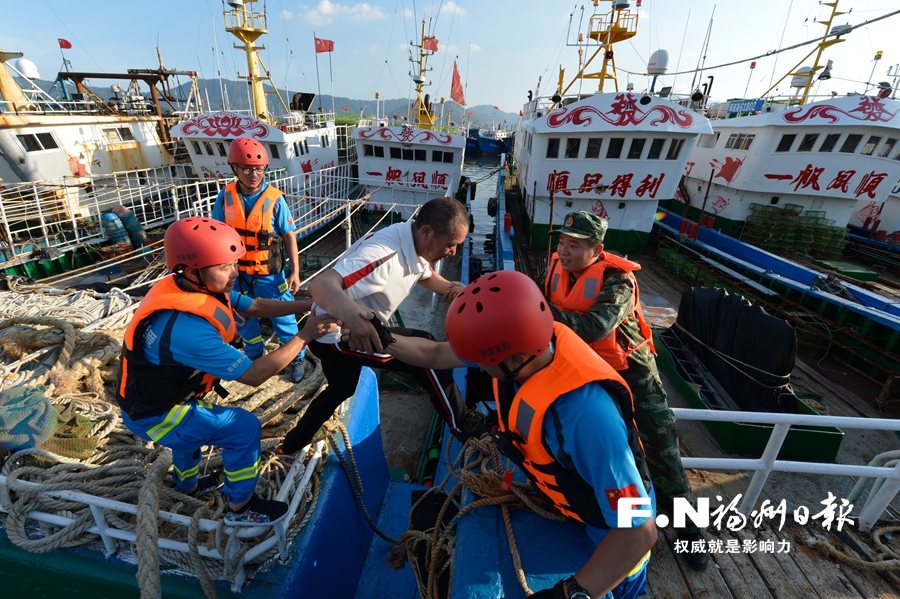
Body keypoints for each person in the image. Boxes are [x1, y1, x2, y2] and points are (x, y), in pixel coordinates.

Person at [383, 270, 657, 599]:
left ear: (511, 359)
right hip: (566, 504)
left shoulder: (586, 416)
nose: (479, 369)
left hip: (609, 539)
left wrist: (571, 592)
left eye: (483, 363)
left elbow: (637, 530)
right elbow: (433, 355)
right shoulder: (529, 345)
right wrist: (381, 338)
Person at [115, 217, 338, 526]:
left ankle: (188, 485)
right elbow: (254, 375)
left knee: (193, 427)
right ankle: (241, 508)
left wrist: (308, 306)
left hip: (155, 400)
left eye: (234, 263)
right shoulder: (188, 330)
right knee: (243, 428)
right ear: (193, 271)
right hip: (154, 414)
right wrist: (306, 335)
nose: (236, 273)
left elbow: (257, 308)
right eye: (224, 267)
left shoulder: (192, 288)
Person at [542, 211, 707, 571]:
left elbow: (595, 325)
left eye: (575, 245)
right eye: (563, 242)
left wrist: (540, 313)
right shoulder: (555, 265)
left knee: (662, 453)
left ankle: (688, 530)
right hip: (587, 372)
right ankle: (614, 524)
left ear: (597, 249)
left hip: (633, 376)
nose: (564, 251)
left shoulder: (618, 281)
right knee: (610, 453)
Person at [280, 197, 474, 454]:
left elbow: (425, 275)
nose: (453, 253)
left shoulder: (412, 242)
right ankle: (463, 425)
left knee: (342, 388)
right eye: (451, 245)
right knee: (424, 354)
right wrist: (353, 319)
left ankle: (292, 443)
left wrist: (453, 289)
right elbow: (319, 285)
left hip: (346, 330)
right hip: (336, 338)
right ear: (427, 232)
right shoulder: (384, 254)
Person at [212, 137, 308, 383]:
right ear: (234, 168)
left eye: (258, 169)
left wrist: (295, 272)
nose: (253, 174)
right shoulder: (225, 197)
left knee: (284, 317)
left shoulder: (275, 199)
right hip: (236, 274)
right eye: (247, 169)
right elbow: (216, 233)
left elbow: (289, 235)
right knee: (243, 320)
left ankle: (297, 357)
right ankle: (254, 356)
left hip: (269, 274)